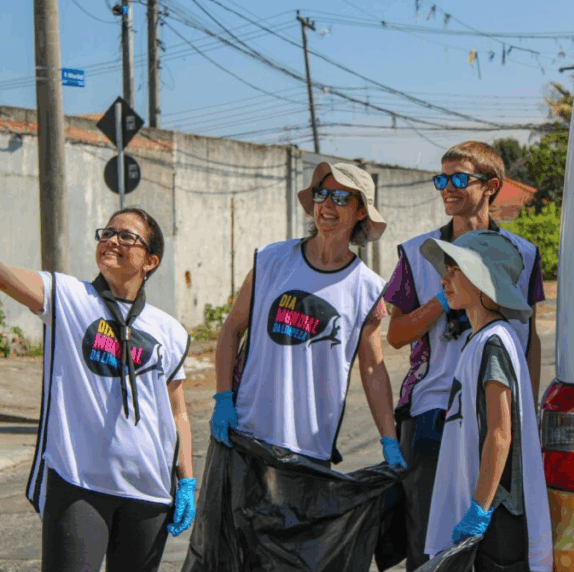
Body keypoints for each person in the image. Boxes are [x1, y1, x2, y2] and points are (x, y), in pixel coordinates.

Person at [0, 163, 196, 572]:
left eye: (126, 236)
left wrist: (187, 479)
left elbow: (177, 411)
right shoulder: (68, 297)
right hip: (79, 484)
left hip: (150, 489)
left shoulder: (170, 331)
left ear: (150, 260)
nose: (111, 240)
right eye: (107, 232)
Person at [383, 141, 545, 571]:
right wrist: (443, 298)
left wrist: (527, 411)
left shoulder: (524, 253)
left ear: (491, 186)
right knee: (431, 537)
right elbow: (395, 335)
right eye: (441, 179)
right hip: (435, 412)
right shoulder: (417, 252)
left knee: (496, 537)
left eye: (459, 178)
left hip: (497, 413)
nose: (448, 188)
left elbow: (529, 337)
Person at [211, 161, 406, 471]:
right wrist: (223, 399)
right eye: (321, 194)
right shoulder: (271, 260)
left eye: (340, 198)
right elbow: (231, 330)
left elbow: (372, 369)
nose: (327, 205)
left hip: (310, 446)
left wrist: (389, 439)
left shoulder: (366, 289)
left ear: (360, 212)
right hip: (247, 431)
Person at [420, 230, 553, 571]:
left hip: (497, 520)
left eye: (455, 271)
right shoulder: (479, 341)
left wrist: (479, 509)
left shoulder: (493, 343)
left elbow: (499, 432)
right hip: (485, 515)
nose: (444, 279)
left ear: (482, 281)